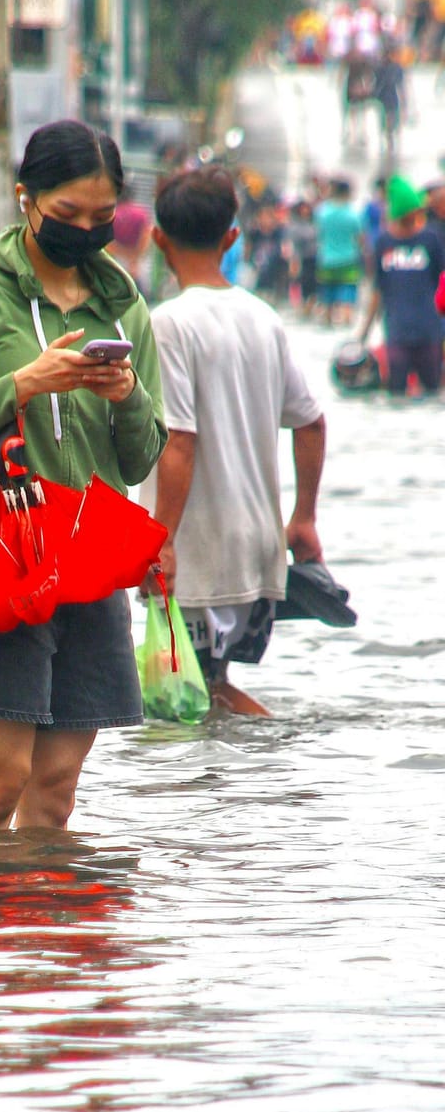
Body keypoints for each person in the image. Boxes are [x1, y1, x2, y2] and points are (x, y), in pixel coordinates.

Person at [0, 120, 167, 834]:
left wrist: (128, 396)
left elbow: (143, 457)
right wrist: (22, 384)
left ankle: (45, 938)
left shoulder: (123, 308)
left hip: (92, 558)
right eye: (67, 215)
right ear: (26, 200)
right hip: (4, 557)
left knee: (54, 790)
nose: (85, 230)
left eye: (101, 216)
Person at [147, 167, 326, 716]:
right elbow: (311, 423)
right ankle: (247, 796)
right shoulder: (264, 318)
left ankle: (284, 759)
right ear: (232, 237)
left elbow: (179, 439)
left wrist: (163, 540)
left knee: (190, 699)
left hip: (200, 547)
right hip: (257, 546)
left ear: (157, 239)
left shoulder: (169, 323)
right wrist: (303, 517)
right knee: (198, 697)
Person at [358, 176, 445, 397]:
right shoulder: (384, 243)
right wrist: (363, 335)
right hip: (396, 333)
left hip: (430, 332)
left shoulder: (430, 240)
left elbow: (442, 283)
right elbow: (377, 290)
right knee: (395, 393)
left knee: (432, 392)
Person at [314, 178, 364, 326]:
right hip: (349, 259)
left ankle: (328, 318)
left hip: (326, 259)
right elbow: (360, 238)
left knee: (327, 294)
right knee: (348, 294)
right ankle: (347, 320)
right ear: (347, 193)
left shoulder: (322, 212)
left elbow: (319, 234)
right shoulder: (353, 215)